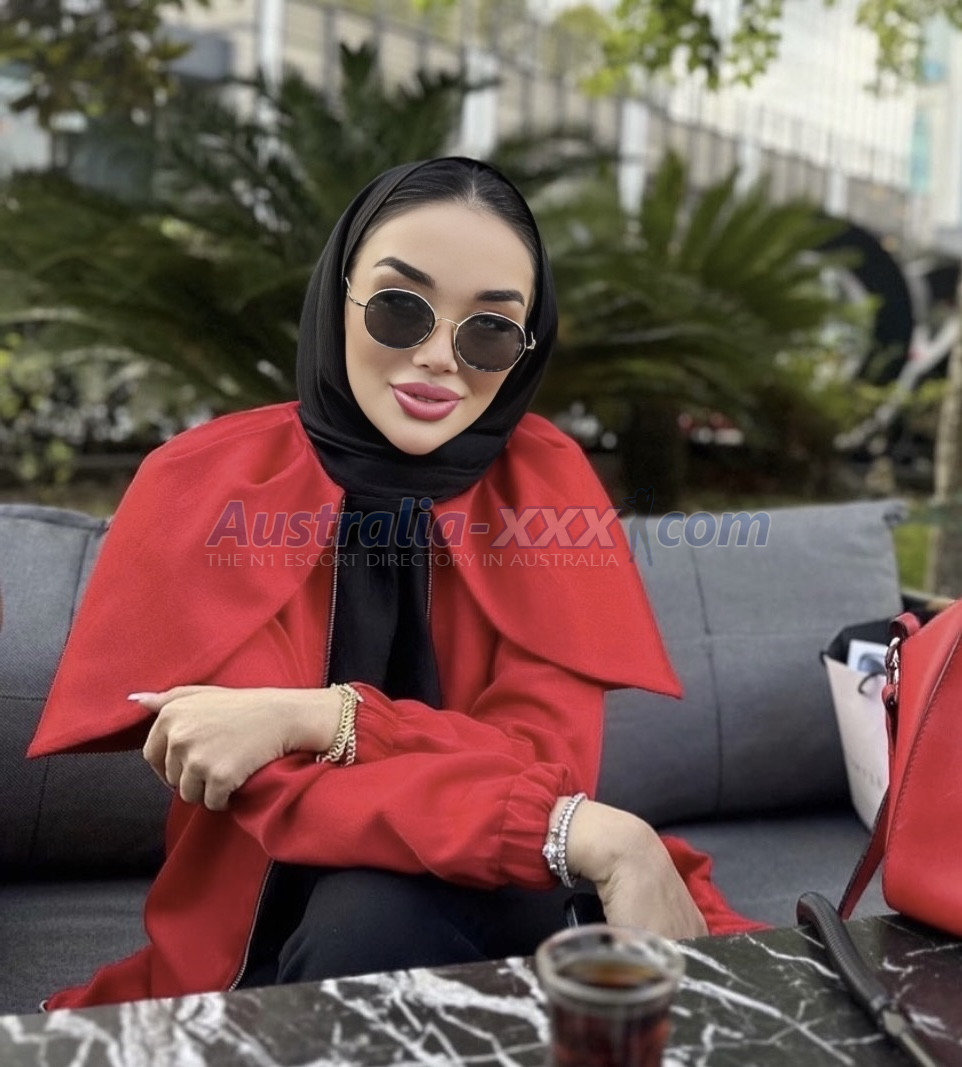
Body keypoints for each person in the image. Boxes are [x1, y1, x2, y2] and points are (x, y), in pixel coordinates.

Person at [28, 156, 763, 1010]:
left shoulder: (547, 483)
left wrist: (315, 716)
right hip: (266, 919)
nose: (440, 358)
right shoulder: (208, 484)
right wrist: (584, 830)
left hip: (504, 885)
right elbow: (267, 783)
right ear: (337, 295)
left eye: (489, 331)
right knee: (371, 920)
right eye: (400, 309)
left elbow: (542, 761)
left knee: (380, 918)